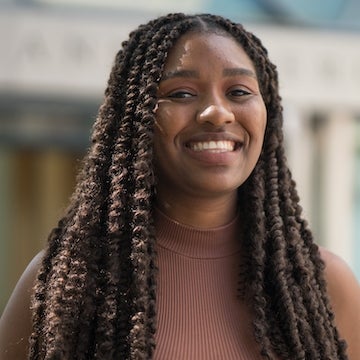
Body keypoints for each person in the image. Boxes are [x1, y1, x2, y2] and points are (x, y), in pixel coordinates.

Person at [0, 12, 359, 360]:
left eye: (238, 91)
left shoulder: (325, 286)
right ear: (135, 120)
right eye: (183, 94)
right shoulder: (67, 284)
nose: (218, 112)